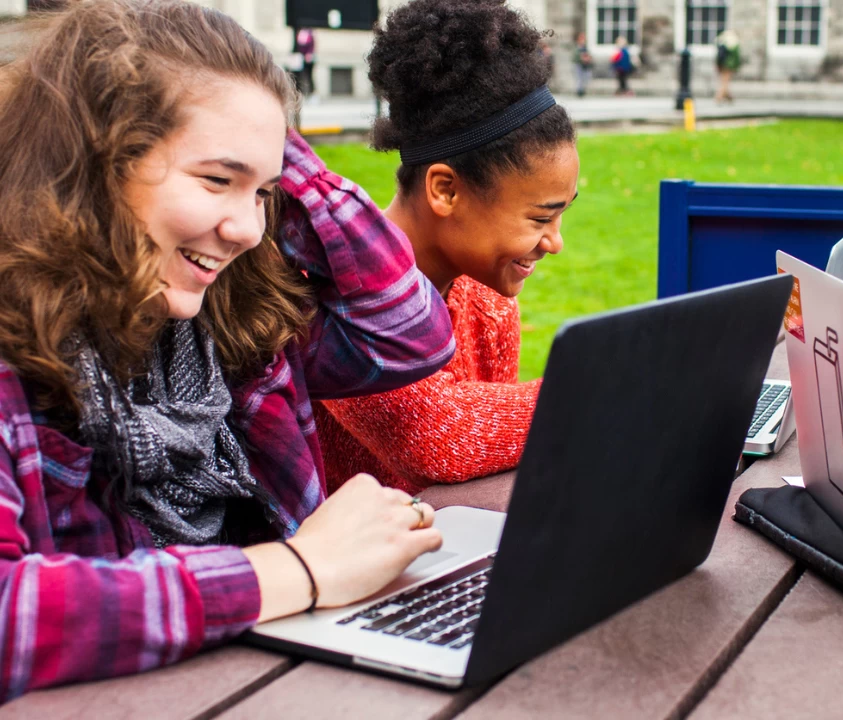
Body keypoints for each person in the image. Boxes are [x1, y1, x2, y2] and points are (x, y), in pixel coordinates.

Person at [0, 0, 455, 698]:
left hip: (266, 686)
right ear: (95, 161)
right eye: (218, 180)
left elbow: (406, 331)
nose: (247, 228)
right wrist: (299, 570)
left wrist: (258, 122)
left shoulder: (228, 326)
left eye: (264, 194)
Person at [315, 0, 579, 492]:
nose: (555, 242)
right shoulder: (341, 286)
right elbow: (436, 438)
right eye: (540, 217)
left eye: (563, 212)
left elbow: (489, 471)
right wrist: (612, 390)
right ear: (445, 190)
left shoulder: (488, 300)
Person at [714, 29, 741, 104]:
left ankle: (729, 97)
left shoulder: (722, 41)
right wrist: (736, 66)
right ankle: (719, 97)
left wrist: (718, 64)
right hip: (729, 65)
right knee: (725, 81)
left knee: (724, 80)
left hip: (722, 64)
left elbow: (719, 55)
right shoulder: (734, 43)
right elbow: (736, 57)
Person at [293, 26, 316, 99]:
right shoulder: (298, 33)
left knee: (309, 76)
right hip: (299, 59)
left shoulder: (310, 33)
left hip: (308, 60)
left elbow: (312, 46)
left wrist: (309, 54)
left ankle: (312, 93)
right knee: (298, 77)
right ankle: (299, 94)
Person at [574, 31, 593, 97]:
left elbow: (589, 55)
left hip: (585, 65)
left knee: (585, 78)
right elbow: (575, 57)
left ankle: (582, 90)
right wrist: (582, 58)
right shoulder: (577, 47)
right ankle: (579, 91)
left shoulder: (585, 47)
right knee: (579, 78)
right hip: (579, 65)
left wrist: (588, 58)